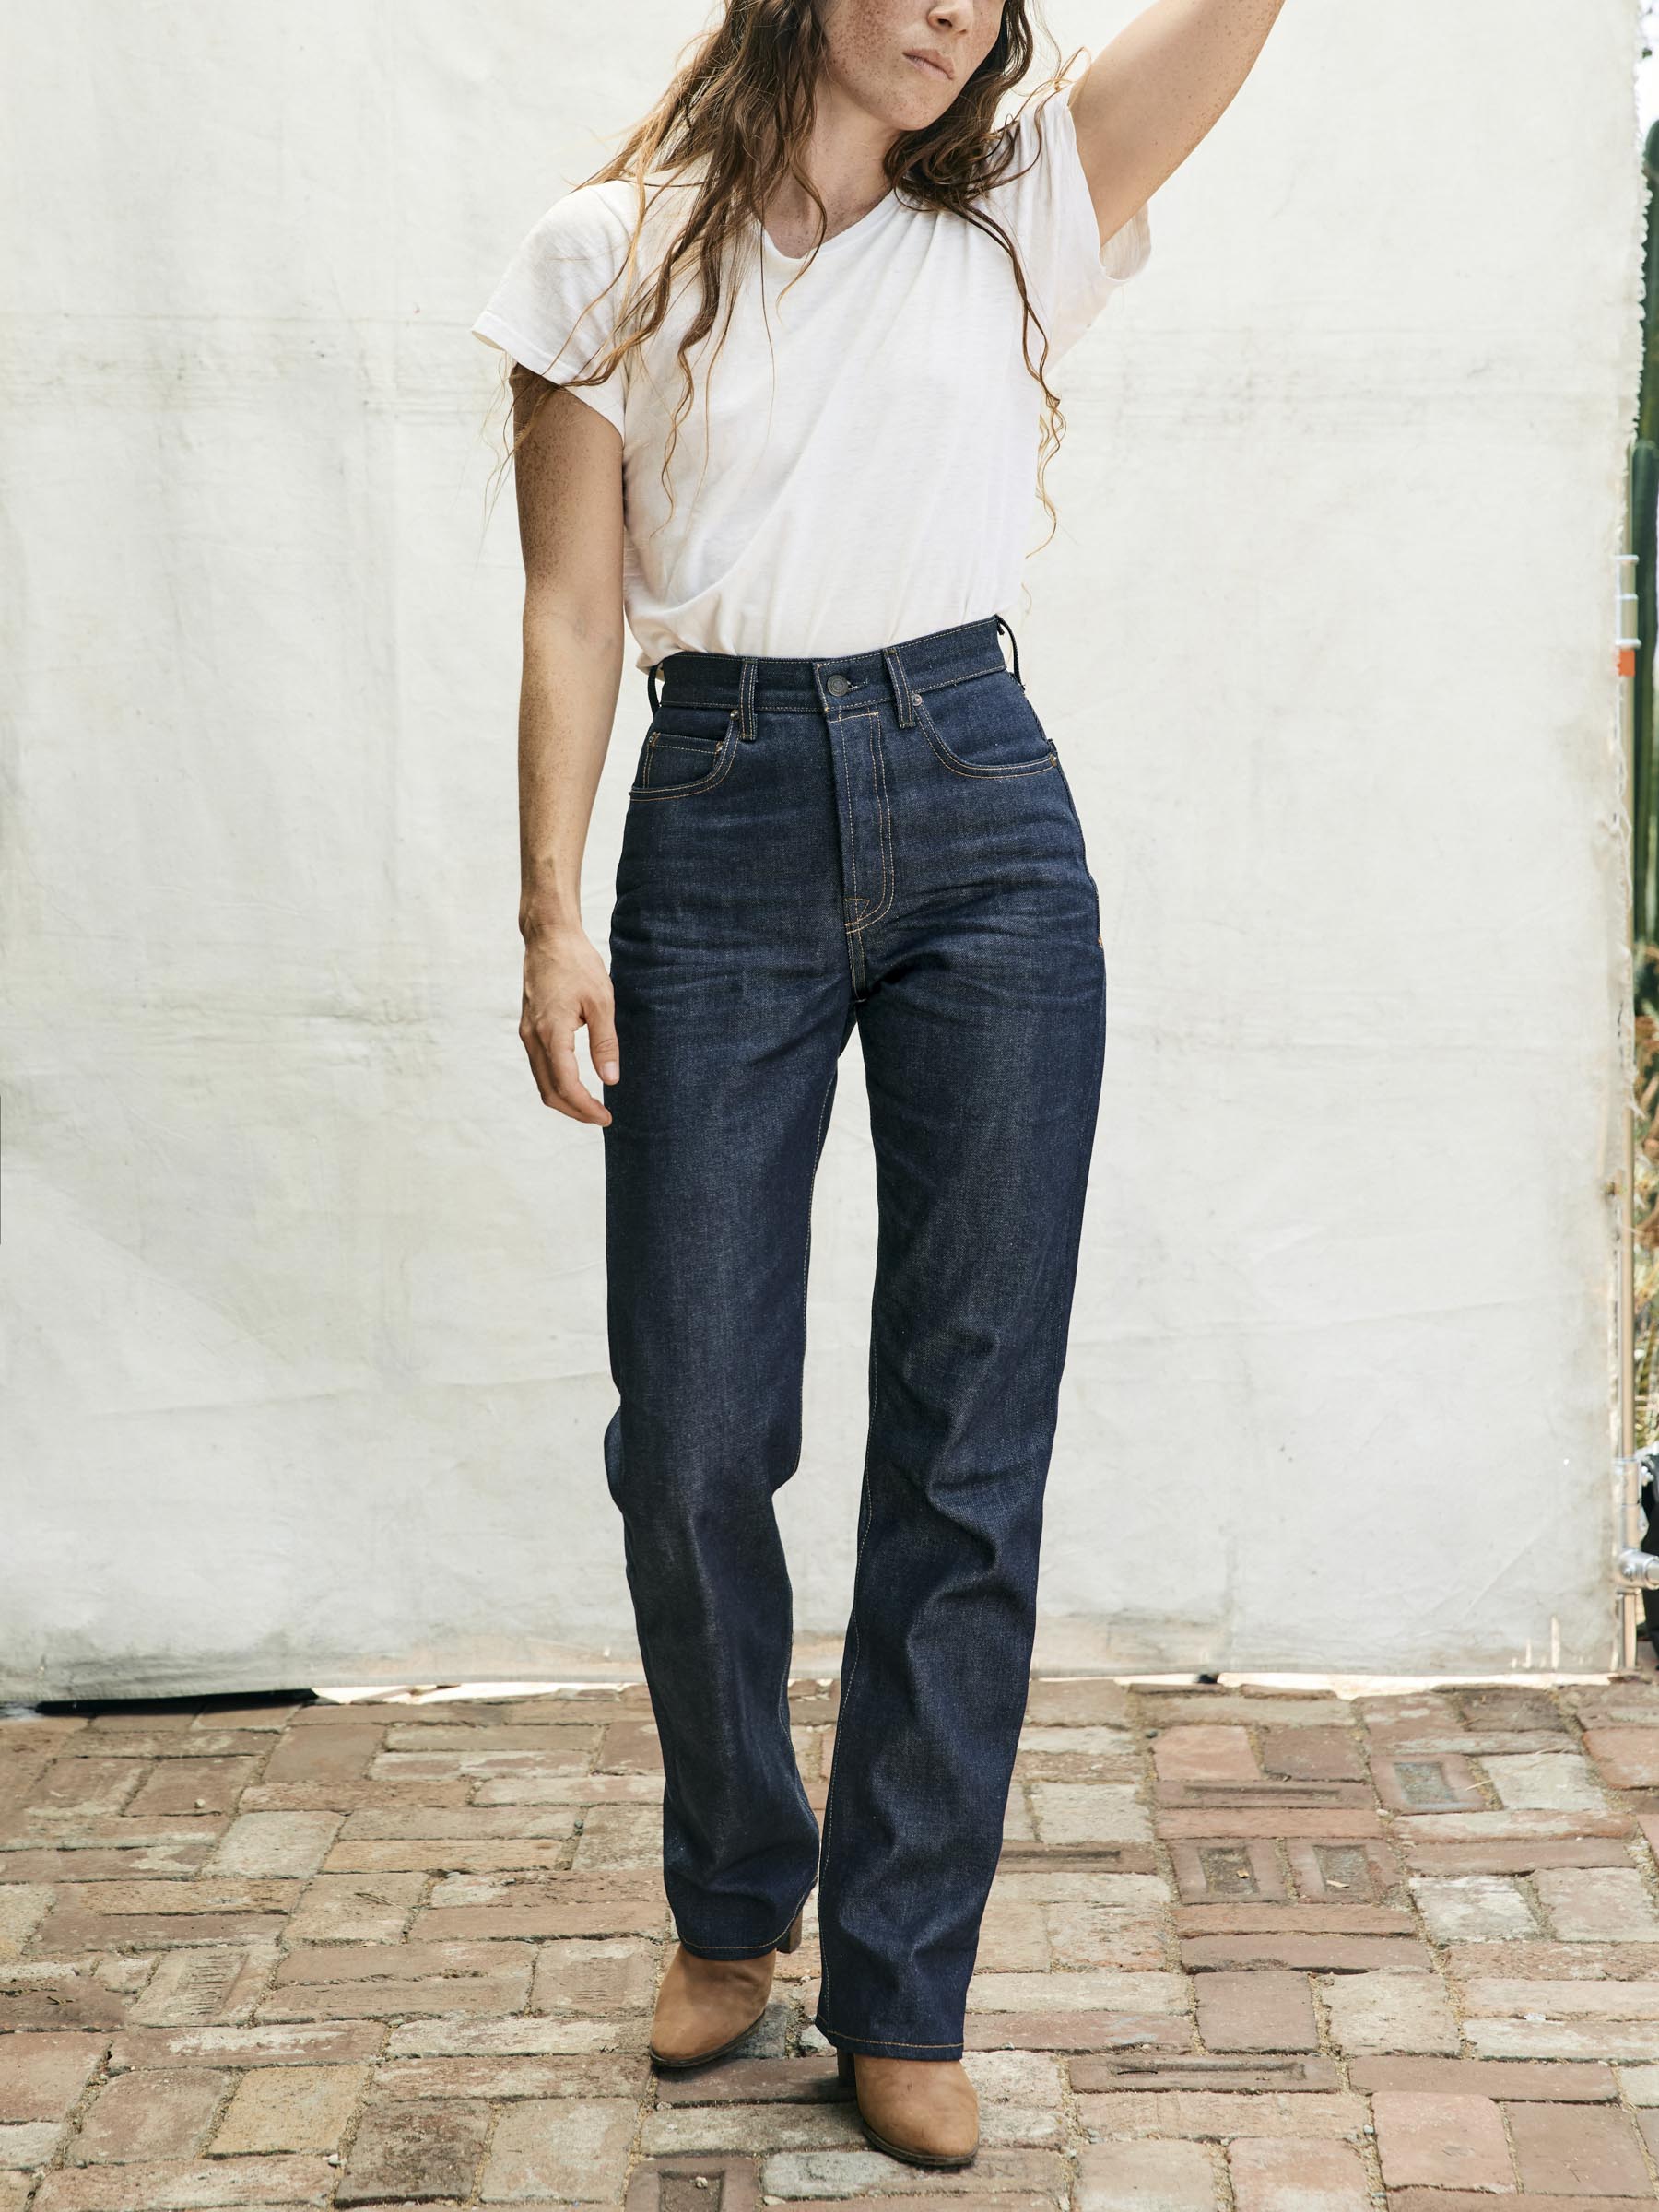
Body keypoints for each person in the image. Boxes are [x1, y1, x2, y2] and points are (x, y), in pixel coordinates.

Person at [472, 0, 1287, 2170]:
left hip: (982, 809)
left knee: (966, 1428)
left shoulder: (1020, 205)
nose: (956, 15)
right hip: (716, 812)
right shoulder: (602, 254)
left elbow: (1224, 33)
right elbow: (570, 608)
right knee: (693, 1432)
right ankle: (735, 1890)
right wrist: (547, 910)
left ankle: (904, 1981)